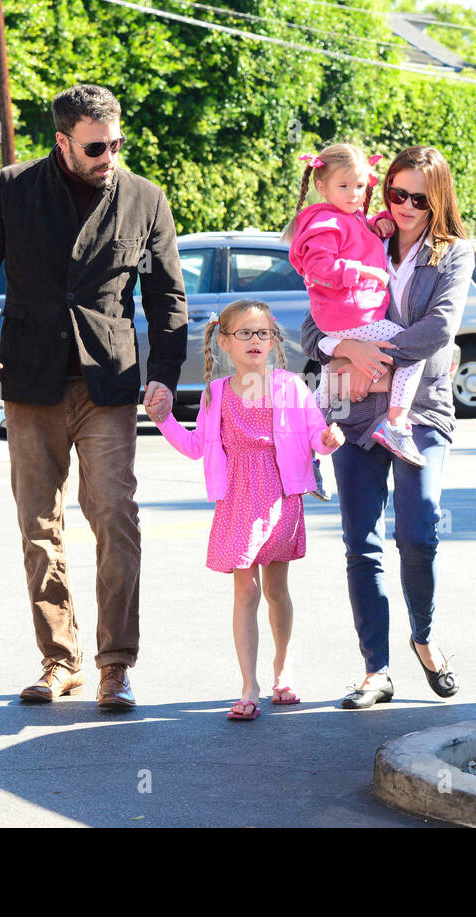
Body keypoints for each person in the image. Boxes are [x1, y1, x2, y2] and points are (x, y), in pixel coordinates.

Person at [0, 84, 187, 710]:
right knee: (38, 527)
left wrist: (166, 373)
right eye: (96, 147)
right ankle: (59, 660)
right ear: (62, 142)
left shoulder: (144, 199)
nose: (109, 155)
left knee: (115, 519)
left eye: (116, 143)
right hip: (31, 380)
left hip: (107, 382)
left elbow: (167, 298)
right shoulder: (11, 189)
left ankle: (115, 664)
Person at [300, 145, 472, 709]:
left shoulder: (452, 255)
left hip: (418, 411)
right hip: (353, 413)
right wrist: (342, 345)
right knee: (361, 545)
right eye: (396, 193)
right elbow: (311, 326)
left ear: (437, 198)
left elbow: (439, 328)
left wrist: (377, 360)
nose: (404, 206)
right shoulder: (360, 233)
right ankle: (377, 670)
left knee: (418, 532)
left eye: (419, 198)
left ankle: (422, 637)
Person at [144, 300, 343, 720]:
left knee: (275, 589)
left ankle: (283, 670)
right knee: (246, 591)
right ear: (224, 341)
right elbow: (197, 447)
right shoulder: (215, 394)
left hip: (280, 497)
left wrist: (328, 440)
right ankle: (249, 684)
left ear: (274, 340)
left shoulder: (290, 387)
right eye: (245, 334)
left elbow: (315, 439)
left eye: (263, 333)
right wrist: (164, 420)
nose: (255, 341)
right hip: (236, 499)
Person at [285, 143, 425, 468]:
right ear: (321, 187)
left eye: (360, 186)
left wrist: (378, 222)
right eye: (344, 186)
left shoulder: (346, 217)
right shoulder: (326, 224)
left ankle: (304, 448)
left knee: (328, 384)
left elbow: (357, 233)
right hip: (352, 316)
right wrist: (362, 271)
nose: (353, 194)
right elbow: (319, 270)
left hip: (343, 317)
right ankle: (396, 425)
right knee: (411, 352)